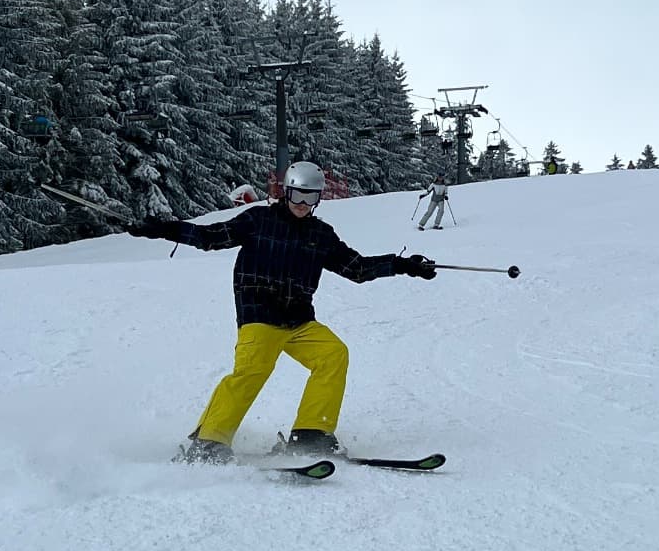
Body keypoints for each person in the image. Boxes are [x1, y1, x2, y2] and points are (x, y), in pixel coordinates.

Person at [128, 161, 437, 461]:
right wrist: (165, 229)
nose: (302, 204)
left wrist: (402, 265)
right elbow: (211, 237)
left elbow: (356, 268)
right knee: (253, 370)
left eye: (310, 198)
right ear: (286, 192)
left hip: (298, 320)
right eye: (297, 195)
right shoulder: (258, 220)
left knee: (333, 354)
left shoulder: (320, 234)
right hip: (259, 314)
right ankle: (209, 440)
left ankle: (311, 433)